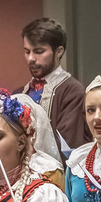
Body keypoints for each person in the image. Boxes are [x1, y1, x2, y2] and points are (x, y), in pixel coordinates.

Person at [22, 17, 89, 149]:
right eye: (27, 52)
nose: (30, 58)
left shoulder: (72, 91)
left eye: (39, 51)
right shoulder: (21, 92)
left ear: (59, 52)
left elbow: (67, 146)